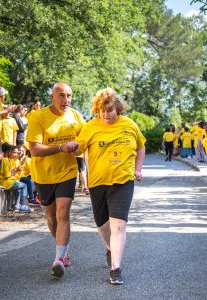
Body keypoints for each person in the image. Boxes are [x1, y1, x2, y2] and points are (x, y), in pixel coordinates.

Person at [72, 87, 146, 285]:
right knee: (103, 225)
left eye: (110, 110)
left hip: (123, 181)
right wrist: (71, 148)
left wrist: (138, 169)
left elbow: (140, 146)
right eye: (102, 110)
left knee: (119, 226)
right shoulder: (90, 127)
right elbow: (77, 149)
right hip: (98, 182)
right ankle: (109, 247)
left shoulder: (129, 125)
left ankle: (116, 268)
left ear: (118, 109)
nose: (106, 114)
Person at [26, 82, 85, 278]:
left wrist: (77, 148)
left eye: (68, 95)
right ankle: (63, 247)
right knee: (51, 217)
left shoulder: (76, 116)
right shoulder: (38, 116)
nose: (65, 100)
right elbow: (34, 149)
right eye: (61, 95)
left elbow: (83, 144)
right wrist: (61, 147)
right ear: (52, 97)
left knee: (63, 213)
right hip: (43, 175)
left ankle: (58, 258)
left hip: (67, 172)